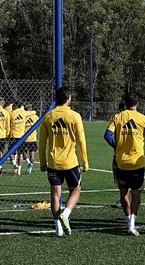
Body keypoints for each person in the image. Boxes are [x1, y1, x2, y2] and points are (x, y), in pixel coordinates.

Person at [39, 87, 89, 237]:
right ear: (68, 98)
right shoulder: (74, 116)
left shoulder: (48, 117)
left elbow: (42, 143)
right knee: (76, 190)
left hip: (54, 162)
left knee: (55, 194)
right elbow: (81, 140)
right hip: (70, 162)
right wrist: (85, 162)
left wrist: (42, 162)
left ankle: (58, 229)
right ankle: (66, 214)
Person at [105, 92, 145, 236]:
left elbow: (107, 135)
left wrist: (116, 146)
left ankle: (128, 219)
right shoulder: (144, 119)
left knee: (123, 194)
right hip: (137, 164)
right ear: (137, 103)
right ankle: (132, 224)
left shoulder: (118, 117)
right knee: (136, 194)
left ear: (125, 103)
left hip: (121, 163)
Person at [20, 102, 39, 174]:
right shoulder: (35, 116)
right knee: (32, 153)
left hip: (25, 137)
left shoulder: (24, 115)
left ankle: (28, 162)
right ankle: (30, 166)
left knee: (23, 153)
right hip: (33, 137)